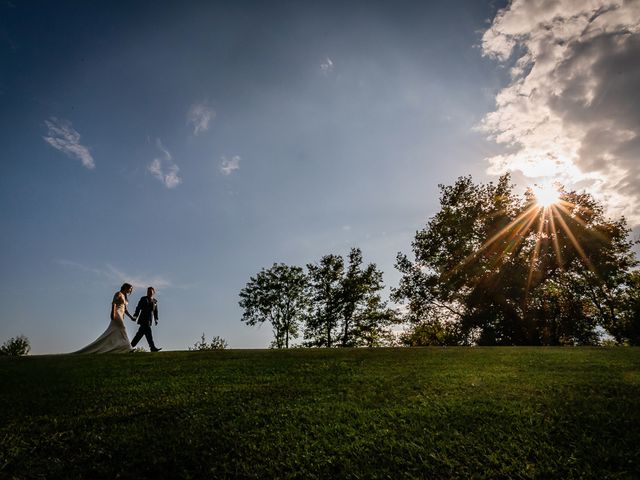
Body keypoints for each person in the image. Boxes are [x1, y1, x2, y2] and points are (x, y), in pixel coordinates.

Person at [73, 283, 135, 354]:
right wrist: (113, 313)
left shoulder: (124, 296)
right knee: (122, 328)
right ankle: (128, 348)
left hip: (121, 315)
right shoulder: (118, 293)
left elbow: (125, 309)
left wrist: (131, 317)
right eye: (130, 289)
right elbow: (114, 303)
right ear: (126, 287)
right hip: (117, 314)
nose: (130, 291)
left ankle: (117, 347)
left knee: (116, 331)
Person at [131, 286, 162, 352]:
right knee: (148, 333)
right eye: (148, 292)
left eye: (151, 292)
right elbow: (138, 307)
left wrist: (156, 319)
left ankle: (130, 346)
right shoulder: (143, 299)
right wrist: (135, 315)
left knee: (140, 334)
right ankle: (152, 347)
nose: (149, 293)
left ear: (153, 292)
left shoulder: (155, 301)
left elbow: (155, 311)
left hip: (149, 319)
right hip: (143, 319)